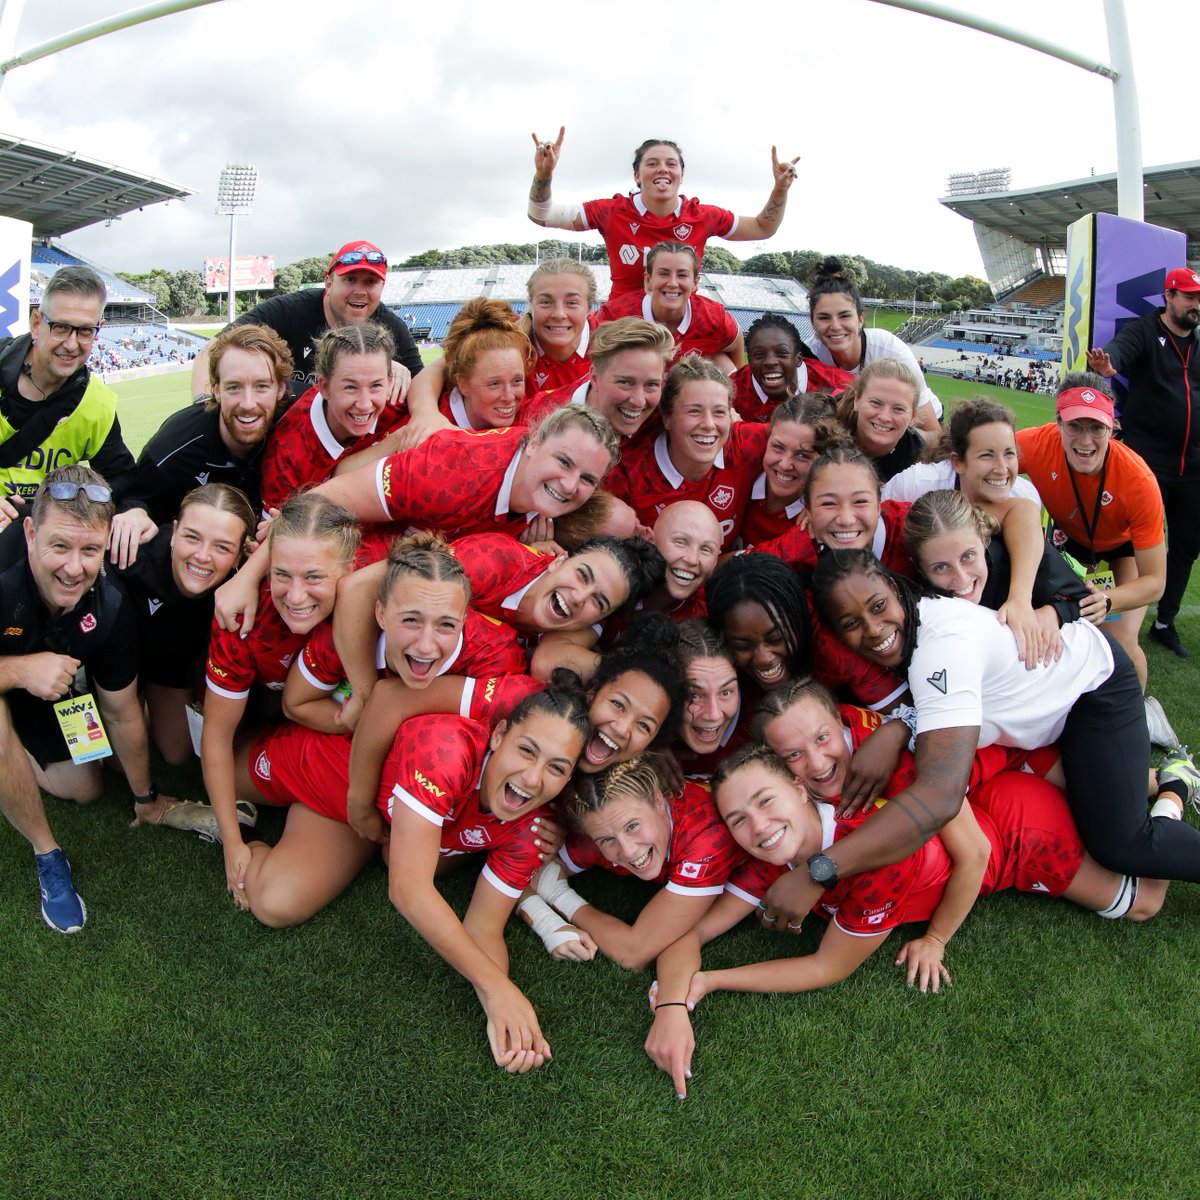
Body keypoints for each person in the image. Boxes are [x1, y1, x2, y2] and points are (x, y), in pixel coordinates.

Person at [643, 738, 1168, 1098]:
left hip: (1019, 838)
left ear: (800, 791)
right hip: (982, 810)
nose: (757, 827)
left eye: (765, 801)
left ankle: (1173, 792)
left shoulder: (869, 856)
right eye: (737, 818)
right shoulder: (771, 855)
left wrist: (710, 981)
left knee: (1143, 900)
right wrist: (671, 1003)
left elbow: (828, 967)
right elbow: (689, 932)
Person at [757, 549, 1200, 935]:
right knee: (1092, 802)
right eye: (852, 623)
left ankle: (1172, 785)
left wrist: (820, 872)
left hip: (1090, 691)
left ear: (895, 587)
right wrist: (899, 727)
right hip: (1037, 714)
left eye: (878, 606)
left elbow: (940, 794)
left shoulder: (938, 646)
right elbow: (945, 697)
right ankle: (1167, 778)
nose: (873, 630)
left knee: (1121, 845)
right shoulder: (919, 623)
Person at [244, 676, 592, 1073]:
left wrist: (500, 1007)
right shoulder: (447, 750)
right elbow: (408, 890)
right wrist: (498, 989)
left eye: (556, 768)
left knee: (274, 903)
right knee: (208, 763)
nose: (533, 777)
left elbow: (483, 928)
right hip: (324, 770)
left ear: (567, 779)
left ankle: (246, 829)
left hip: (376, 828)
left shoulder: (535, 825)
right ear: (498, 735)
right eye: (526, 750)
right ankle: (240, 818)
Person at [210, 405, 623, 638]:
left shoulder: (545, 498)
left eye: (587, 478)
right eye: (563, 462)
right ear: (532, 443)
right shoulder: (451, 472)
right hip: (356, 552)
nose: (570, 484)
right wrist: (246, 577)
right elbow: (328, 497)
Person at [0, 467, 203, 932]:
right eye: (59, 546)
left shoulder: (108, 604)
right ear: (30, 532)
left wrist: (144, 797)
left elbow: (120, 707)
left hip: (49, 689)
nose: (75, 568)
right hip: (17, 677)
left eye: (90, 549)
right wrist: (17, 670)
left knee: (86, 786)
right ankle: (47, 854)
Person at [202, 491, 360, 894]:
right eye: (281, 575)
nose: (295, 595)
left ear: (351, 570)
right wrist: (232, 844)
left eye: (314, 578)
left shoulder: (377, 594)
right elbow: (215, 739)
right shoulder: (242, 619)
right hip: (278, 729)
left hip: (346, 746)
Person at [1015, 374, 1165, 687]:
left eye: (1096, 428)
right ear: (1057, 423)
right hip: (1065, 541)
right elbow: (980, 459)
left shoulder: (1139, 482)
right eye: (1074, 426)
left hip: (1121, 548)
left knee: (1120, 642)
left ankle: (1138, 714)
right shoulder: (1034, 444)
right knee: (1044, 624)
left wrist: (1108, 600)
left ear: (1112, 428)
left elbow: (1155, 582)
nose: (1085, 441)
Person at [529, 752, 743, 969]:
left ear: (659, 801)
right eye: (607, 839)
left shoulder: (706, 836)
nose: (628, 850)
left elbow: (633, 952)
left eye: (632, 826)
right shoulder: (602, 825)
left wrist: (558, 895)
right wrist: (547, 922)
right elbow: (525, 873)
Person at [527, 130, 799, 300]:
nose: (663, 169)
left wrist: (780, 189)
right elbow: (542, 215)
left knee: (726, 369)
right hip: (625, 325)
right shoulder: (611, 211)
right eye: (652, 163)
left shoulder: (703, 216)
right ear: (636, 175)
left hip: (682, 323)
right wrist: (544, 174)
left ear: (681, 175)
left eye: (671, 164)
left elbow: (763, 228)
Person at [1086, 267, 1200, 660]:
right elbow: (1118, 352)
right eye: (1188, 297)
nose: (1195, 304)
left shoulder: (1199, 342)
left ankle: (1164, 624)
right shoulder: (1145, 331)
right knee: (1122, 543)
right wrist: (1108, 366)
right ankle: (1102, 613)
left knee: (1186, 546)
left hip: (1193, 467)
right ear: (1168, 296)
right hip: (1145, 462)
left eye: (1198, 298)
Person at [119, 324, 292, 566]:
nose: (248, 403)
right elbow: (135, 496)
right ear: (215, 390)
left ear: (281, 389)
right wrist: (134, 512)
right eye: (234, 387)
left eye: (262, 386)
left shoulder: (297, 424)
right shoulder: (176, 445)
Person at [112, 482, 256, 764]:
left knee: (177, 753)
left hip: (167, 667)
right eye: (192, 537)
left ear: (240, 555)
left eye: (222, 547)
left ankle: (148, 706)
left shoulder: (240, 587)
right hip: (117, 663)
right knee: (117, 760)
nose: (203, 556)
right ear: (174, 531)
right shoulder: (132, 557)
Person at [189, 240, 423, 401]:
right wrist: (203, 408)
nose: (360, 291)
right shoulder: (289, 310)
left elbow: (427, 385)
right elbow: (212, 349)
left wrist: (381, 367)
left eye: (370, 282)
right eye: (350, 279)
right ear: (329, 283)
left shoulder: (391, 327)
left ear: (382, 287)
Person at [0, 266, 137, 536]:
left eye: (85, 331)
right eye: (61, 328)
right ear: (37, 323)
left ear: (99, 329)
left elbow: (123, 480)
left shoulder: (96, 404)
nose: (72, 344)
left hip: (44, 542)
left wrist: (134, 511)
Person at [607, 357, 766, 550]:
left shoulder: (743, 443)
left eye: (719, 412)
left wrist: (812, 500)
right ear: (667, 418)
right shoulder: (625, 475)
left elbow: (804, 434)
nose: (709, 424)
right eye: (694, 411)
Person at [259, 323, 398, 512]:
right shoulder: (286, 456)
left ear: (390, 381)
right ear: (324, 387)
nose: (365, 404)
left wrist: (424, 408)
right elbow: (273, 535)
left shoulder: (402, 399)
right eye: (350, 387)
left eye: (376, 385)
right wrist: (399, 440)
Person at [805, 257, 941, 432]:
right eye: (824, 317)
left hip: (911, 428)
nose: (835, 326)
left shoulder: (890, 349)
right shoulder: (811, 356)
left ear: (860, 319)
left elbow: (932, 431)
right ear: (812, 323)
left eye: (845, 316)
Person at [517, 317, 675, 444]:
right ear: (594, 377)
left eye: (651, 384)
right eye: (625, 383)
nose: (639, 401)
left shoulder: (667, 419)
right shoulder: (534, 422)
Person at [590, 243, 743, 373]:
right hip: (633, 391)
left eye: (682, 275)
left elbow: (736, 340)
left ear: (695, 283)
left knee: (722, 362)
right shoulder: (615, 315)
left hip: (685, 393)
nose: (672, 283)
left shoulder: (713, 316)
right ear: (648, 280)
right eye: (664, 274)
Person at [882, 396, 1041, 509]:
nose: (1001, 469)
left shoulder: (1026, 496)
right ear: (957, 463)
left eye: (1009, 453)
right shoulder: (916, 485)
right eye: (986, 455)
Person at [740, 394, 835, 547]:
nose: (785, 465)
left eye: (802, 455)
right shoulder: (739, 472)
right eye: (778, 447)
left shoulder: (816, 520)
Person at [730, 314, 852, 423]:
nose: (770, 362)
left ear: (798, 358)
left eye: (781, 352)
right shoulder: (731, 390)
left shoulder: (839, 385)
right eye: (759, 354)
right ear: (749, 360)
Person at [834, 359, 929, 483]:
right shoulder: (821, 431)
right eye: (875, 403)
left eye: (898, 409)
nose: (884, 417)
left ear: (912, 416)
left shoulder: (919, 464)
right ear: (856, 401)